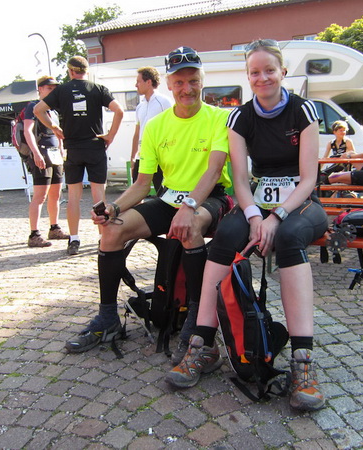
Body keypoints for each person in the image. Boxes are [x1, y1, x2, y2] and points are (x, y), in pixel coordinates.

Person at [165, 39, 328, 412]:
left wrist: (276, 217)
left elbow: (308, 179)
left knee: (289, 237)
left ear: (282, 72)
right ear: (248, 76)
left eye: (269, 70)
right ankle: (202, 345)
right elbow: (240, 179)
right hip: (259, 203)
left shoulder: (303, 110)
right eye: (255, 72)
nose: (262, 77)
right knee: (226, 233)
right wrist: (255, 216)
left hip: (300, 204)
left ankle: (303, 362)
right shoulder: (239, 117)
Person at [66, 46, 232, 360]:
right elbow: (143, 184)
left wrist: (189, 206)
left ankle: (197, 319)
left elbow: (213, 172)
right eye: (179, 82)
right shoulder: (156, 125)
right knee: (112, 229)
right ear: (168, 84)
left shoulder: (220, 118)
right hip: (169, 198)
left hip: (211, 197)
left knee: (190, 226)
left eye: (193, 81)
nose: (186, 88)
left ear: (202, 81)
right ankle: (108, 317)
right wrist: (113, 208)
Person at [33, 56, 124, 256]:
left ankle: (74, 239)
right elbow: (119, 111)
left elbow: (38, 110)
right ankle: (103, 238)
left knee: (73, 197)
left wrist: (54, 127)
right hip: (95, 146)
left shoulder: (61, 90)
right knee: (98, 197)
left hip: (73, 148)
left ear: (70, 71)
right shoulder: (98, 88)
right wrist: (110, 135)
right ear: (86, 71)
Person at [24, 75, 69, 248]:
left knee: (56, 194)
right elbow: (28, 131)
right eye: (49, 88)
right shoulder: (33, 107)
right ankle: (34, 234)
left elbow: (57, 133)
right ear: (40, 89)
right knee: (40, 195)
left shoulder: (54, 111)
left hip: (55, 155)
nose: (53, 91)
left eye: (54, 89)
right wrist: (36, 153)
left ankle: (54, 227)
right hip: (42, 153)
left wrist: (61, 148)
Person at [131, 66, 173, 192]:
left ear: (148, 82)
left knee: (163, 193)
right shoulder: (140, 106)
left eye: (138, 82)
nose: (136, 85)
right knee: (136, 192)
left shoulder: (165, 102)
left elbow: (173, 128)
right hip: (142, 155)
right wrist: (133, 157)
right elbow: (137, 133)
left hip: (160, 157)